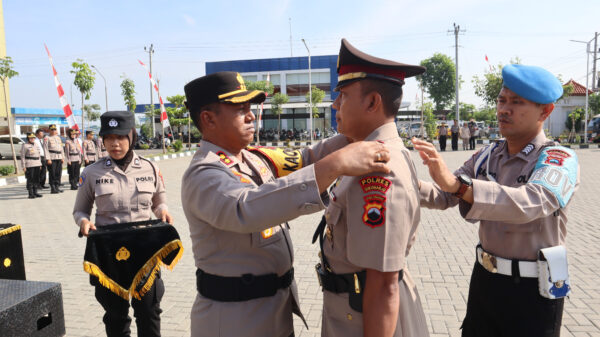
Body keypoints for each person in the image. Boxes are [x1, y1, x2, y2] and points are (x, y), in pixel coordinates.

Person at [181, 71, 391, 337]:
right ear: (208, 119)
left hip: (272, 309)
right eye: (240, 109)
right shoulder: (204, 174)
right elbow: (245, 208)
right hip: (233, 318)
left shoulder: (255, 157)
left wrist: (353, 134)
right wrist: (336, 164)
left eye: (250, 108)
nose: (251, 116)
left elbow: (306, 157)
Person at [412, 64, 579, 337]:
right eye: (502, 100)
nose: (504, 109)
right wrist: (396, 183)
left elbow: (531, 202)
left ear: (545, 111)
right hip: (485, 282)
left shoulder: (558, 158)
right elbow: (444, 195)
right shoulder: (489, 155)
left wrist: (459, 186)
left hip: (533, 291)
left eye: (517, 102)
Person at [314, 38, 429, 337]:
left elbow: (383, 286)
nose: (335, 104)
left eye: (343, 95)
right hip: (351, 310)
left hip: (365, 318)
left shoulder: (377, 170)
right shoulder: (364, 151)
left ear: (372, 102)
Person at [73, 111, 173, 337]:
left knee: (149, 311)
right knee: (115, 315)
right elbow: (80, 210)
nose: (114, 143)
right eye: (108, 138)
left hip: (144, 250)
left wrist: (163, 212)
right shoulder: (91, 173)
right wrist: (84, 222)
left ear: (131, 137)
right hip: (110, 253)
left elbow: (159, 202)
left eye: (120, 137)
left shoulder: (150, 168)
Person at [20, 132, 43, 199]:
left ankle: (35, 192)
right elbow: (22, 156)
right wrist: (24, 166)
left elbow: (38, 155)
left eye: (33, 138)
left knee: (36, 179)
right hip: (29, 164)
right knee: (30, 179)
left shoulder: (36, 144)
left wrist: (40, 164)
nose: (32, 139)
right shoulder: (25, 145)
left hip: (37, 164)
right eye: (31, 138)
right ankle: (30, 193)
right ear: (28, 138)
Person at [43, 124, 64, 194]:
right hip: (52, 158)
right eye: (52, 129)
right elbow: (45, 149)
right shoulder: (47, 138)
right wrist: (48, 159)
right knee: (52, 173)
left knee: (58, 173)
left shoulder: (58, 138)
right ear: (49, 130)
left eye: (54, 129)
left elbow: (61, 148)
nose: (53, 131)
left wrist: (62, 157)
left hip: (59, 157)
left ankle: (57, 187)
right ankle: (53, 187)